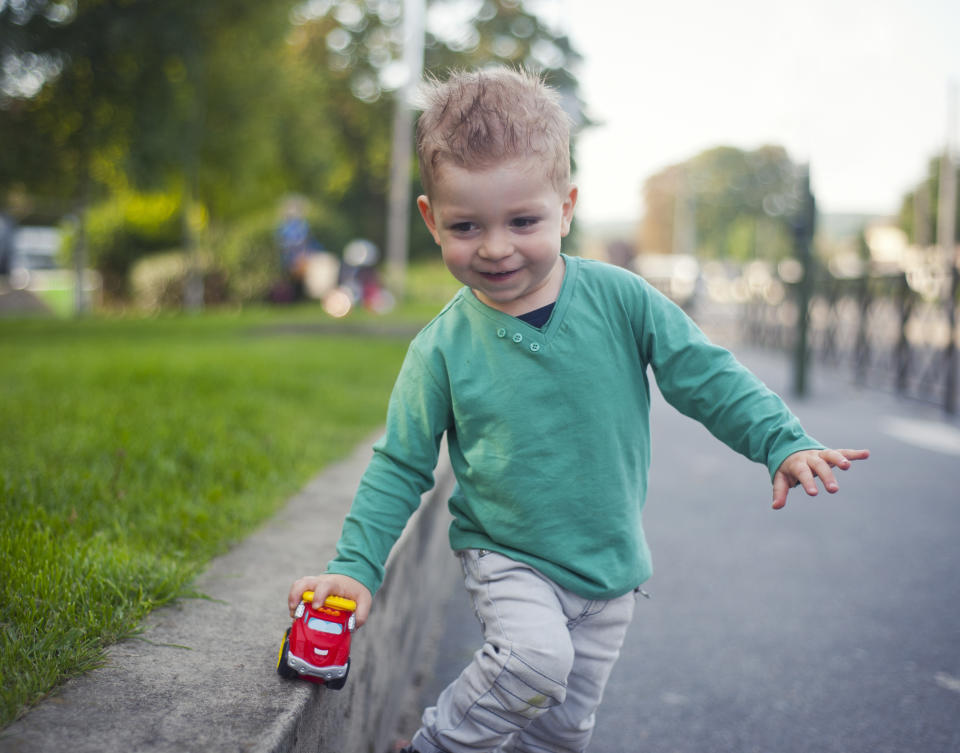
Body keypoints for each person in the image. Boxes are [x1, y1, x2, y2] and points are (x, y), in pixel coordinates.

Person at [288, 68, 868, 753]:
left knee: (559, 734)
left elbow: (705, 374)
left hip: (610, 571)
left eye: (523, 221)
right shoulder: (440, 347)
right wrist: (355, 567)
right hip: (509, 556)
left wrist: (780, 439)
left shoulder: (623, 299)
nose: (497, 247)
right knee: (534, 662)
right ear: (430, 219)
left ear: (565, 206)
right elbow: (400, 465)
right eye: (467, 226)